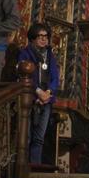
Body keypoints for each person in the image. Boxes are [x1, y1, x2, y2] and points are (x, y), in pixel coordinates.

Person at [18, 23, 60, 164]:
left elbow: (55, 77)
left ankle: (35, 167)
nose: (43, 39)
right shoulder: (25, 53)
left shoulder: (50, 55)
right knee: (26, 137)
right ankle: (23, 168)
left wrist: (48, 92)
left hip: (46, 100)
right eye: (40, 36)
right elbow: (23, 76)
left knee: (39, 138)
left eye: (46, 36)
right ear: (32, 38)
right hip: (30, 99)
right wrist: (38, 92)